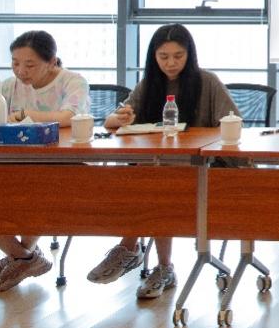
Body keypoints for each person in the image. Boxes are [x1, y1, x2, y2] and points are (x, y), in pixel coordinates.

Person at [89, 24, 237, 299]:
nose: (170, 63)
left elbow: (232, 124)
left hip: (202, 169)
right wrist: (121, 117)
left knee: (154, 182)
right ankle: (159, 264)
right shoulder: (150, 84)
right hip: (158, 169)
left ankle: (130, 247)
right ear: (153, 57)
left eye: (178, 56)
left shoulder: (207, 82)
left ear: (189, 55)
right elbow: (110, 121)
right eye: (163, 56)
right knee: (152, 182)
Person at [0, 31, 89, 292]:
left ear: (51, 62)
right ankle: (23, 257)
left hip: (59, 165)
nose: (21, 71)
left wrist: (25, 114)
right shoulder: (8, 87)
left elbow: (68, 117)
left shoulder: (72, 82)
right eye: (15, 63)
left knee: (38, 191)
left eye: (30, 65)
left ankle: (20, 257)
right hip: (12, 162)